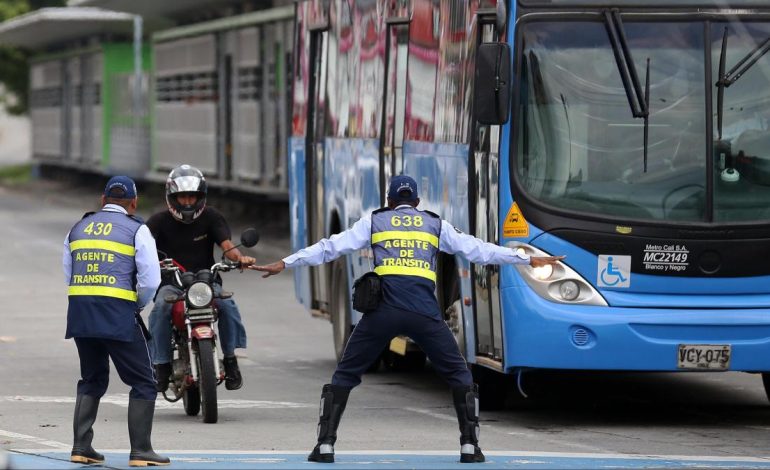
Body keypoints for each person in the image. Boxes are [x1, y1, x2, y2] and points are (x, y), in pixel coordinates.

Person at [251, 175, 565, 464]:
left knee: (345, 374)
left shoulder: (374, 221)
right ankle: (470, 447)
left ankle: (325, 446)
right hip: (423, 314)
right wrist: (526, 257)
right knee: (459, 375)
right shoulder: (435, 224)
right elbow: (479, 251)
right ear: (416, 202)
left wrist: (285, 262)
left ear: (389, 200)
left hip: (381, 314)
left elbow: (330, 248)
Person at [63, 176, 169, 467]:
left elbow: (68, 270)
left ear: (102, 199)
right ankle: (141, 451)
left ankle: (81, 446)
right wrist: (138, 304)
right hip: (118, 313)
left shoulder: (78, 227)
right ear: (133, 203)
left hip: (81, 312)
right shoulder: (138, 229)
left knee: (92, 377)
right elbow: (150, 279)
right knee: (144, 380)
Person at [147, 165, 255, 392]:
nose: (187, 203)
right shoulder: (158, 222)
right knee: (159, 310)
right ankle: (161, 365)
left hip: (206, 283)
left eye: (192, 197)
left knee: (228, 305)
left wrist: (240, 258)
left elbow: (227, 246)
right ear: (172, 198)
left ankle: (231, 360)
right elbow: (143, 250)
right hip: (172, 284)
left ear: (201, 197)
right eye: (182, 197)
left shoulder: (212, 217)